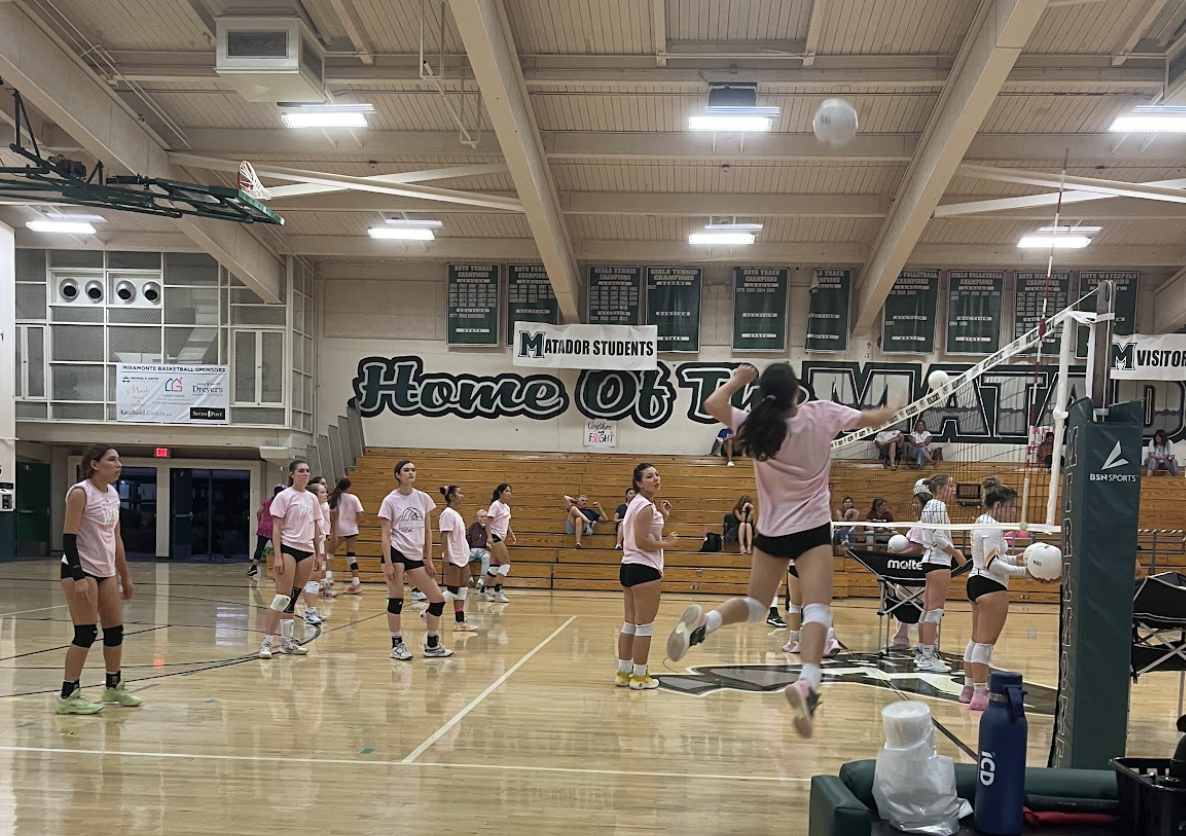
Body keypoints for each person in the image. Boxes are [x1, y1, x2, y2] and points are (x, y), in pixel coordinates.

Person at [666, 362, 901, 737]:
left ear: (764, 394)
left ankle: (706, 622)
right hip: (811, 531)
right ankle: (807, 683)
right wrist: (894, 406)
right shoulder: (820, 414)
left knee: (758, 606)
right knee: (818, 609)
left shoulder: (756, 424)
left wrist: (738, 380)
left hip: (772, 532)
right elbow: (872, 419)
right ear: (797, 392)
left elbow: (712, 403)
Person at [56, 445, 141, 715]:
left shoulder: (113, 494)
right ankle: (68, 695)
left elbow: (116, 539)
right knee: (86, 632)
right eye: (112, 460)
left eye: (119, 460)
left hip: (106, 572)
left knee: (114, 631)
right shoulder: (80, 492)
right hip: (80, 570)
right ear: (94, 464)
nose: (118, 464)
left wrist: (124, 576)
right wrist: (79, 577)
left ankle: (113, 686)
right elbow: (68, 537)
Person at [961, 477, 1041, 711]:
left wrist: (1015, 558)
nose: (1014, 511)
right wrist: (1023, 570)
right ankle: (979, 695)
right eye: (1011, 506)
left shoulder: (982, 521)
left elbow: (990, 557)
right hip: (991, 585)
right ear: (998, 505)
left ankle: (968, 689)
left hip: (975, 582)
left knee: (976, 640)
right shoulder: (993, 526)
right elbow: (992, 563)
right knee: (984, 645)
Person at [377, 459, 453, 660]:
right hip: (395, 552)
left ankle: (432, 643)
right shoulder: (390, 501)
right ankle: (396, 644)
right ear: (398, 475)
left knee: (437, 599)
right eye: (406, 470)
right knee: (397, 598)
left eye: (413, 470)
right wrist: (387, 562)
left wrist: (428, 559)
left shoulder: (423, 498)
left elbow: (428, 530)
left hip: (416, 554)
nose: (411, 473)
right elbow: (385, 534)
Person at [616, 463, 677, 690]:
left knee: (631, 623)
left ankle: (624, 672)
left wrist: (664, 518)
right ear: (639, 483)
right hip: (644, 569)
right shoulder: (645, 507)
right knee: (645, 626)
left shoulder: (637, 504)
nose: (656, 479)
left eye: (657, 475)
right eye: (650, 476)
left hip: (628, 566)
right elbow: (642, 541)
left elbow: (640, 534)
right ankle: (640, 676)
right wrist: (667, 543)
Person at [259, 460, 320, 659]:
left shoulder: (312, 498)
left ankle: (287, 642)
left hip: (307, 550)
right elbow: (276, 528)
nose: (305, 474)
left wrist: (318, 554)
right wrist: (277, 555)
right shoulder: (284, 497)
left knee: (293, 598)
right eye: (301, 471)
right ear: (292, 474)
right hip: (287, 548)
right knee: (282, 598)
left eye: (307, 470)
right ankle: (267, 642)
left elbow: (317, 528)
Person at [916, 473, 967, 673]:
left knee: (928, 609)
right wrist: (957, 554)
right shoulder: (938, 505)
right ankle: (927, 658)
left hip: (931, 560)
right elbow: (938, 537)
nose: (953, 490)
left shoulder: (929, 506)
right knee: (934, 611)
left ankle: (923, 654)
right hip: (938, 561)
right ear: (940, 489)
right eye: (951, 486)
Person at [439, 486, 477, 633]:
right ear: (452, 497)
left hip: (462, 556)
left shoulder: (456, 514)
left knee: (462, 590)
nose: (463, 496)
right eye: (460, 493)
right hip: (453, 556)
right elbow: (443, 536)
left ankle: (459, 622)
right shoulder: (447, 514)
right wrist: (446, 555)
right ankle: (430, 611)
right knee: (452, 591)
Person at [301, 481, 331, 626]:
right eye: (322, 492)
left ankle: (311, 610)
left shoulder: (320, 509)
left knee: (315, 580)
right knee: (312, 579)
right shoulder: (308, 510)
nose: (326, 494)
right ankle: (309, 612)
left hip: (319, 546)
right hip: (310, 548)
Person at [329, 478, 364, 594]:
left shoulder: (335, 499)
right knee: (351, 556)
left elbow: (333, 518)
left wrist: (334, 533)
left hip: (339, 530)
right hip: (352, 530)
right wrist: (355, 524)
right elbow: (360, 514)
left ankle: (328, 579)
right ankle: (356, 582)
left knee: (329, 555)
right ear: (349, 487)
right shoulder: (353, 498)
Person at [483, 484, 516, 603]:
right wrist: (489, 537)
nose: (509, 493)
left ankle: (483, 591)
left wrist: (511, 533)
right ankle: (498, 591)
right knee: (506, 564)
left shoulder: (507, 507)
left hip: (501, 536)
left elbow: (506, 522)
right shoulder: (495, 505)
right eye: (507, 491)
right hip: (495, 536)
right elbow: (488, 522)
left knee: (495, 567)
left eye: (510, 491)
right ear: (500, 493)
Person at [249, 485, 283, 577]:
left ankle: (253, 567)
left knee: (259, 547)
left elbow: (259, 512)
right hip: (274, 528)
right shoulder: (280, 503)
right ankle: (279, 569)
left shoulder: (267, 501)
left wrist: (260, 522)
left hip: (263, 527)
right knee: (277, 548)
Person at [467, 509, 491, 582]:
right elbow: (468, 538)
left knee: (487, 557)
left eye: (485, 517)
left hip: (484, 550)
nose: (484, 518)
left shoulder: (490, 527)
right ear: (478, 518)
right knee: (462, 558)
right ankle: (468, 577)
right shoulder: (473, 526)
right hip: (472, 550)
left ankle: (482, 579)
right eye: (482, 517)